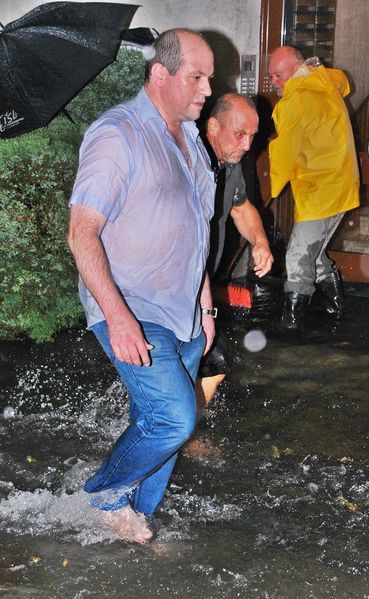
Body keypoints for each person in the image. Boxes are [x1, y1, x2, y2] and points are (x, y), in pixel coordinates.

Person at [67, 29, 216, 542]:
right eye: (196, 77)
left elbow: (196, 231)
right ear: (160, 74)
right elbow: (81, 232)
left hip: (185, 313)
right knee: (174, 418)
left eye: (209, 78)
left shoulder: (190, 139)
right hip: (133, 306)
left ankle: (136, 514)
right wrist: (117, 316)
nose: (206, 89)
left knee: (155, 424)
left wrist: (206, 308)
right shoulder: (118, 133)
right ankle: (104, 495)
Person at [268, 46, 360, 331]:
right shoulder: (325, 81)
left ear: (296, 68)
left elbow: (286, 150)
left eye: (278, 75)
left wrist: (269, 189)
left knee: (298, 255)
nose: (273, 82)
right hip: (341, 184)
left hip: (321, 190)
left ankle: (291, 325)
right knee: (315, 254)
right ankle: (336, 312)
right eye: (271, 76)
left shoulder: (295, 99)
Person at [196, 93, 273, 406]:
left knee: (213, 363)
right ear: (214, 127)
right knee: (206, 359)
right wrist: (202, 309)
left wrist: (260, 242)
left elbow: (241, 209)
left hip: (200, 286)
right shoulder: (189, 162)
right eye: (240, 134)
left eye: (252, 136)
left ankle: (180, 425)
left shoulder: (230, 165)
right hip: (172, 290)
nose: (247, 145)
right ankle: (171, 426)